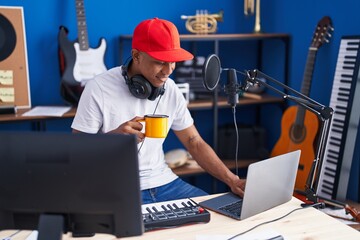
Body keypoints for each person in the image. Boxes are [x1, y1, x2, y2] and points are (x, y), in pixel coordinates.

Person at [71, 17, 246, 204]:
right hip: (115, 186)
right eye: (160, 62)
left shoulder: (170, 88)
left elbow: (194, 142)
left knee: (214, 213)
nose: (168, 71)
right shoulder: (98, 87)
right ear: (136, 55)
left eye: (173, 62)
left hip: (165, 183)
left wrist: (232, 180)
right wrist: (112, 138)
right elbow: (77, 150)